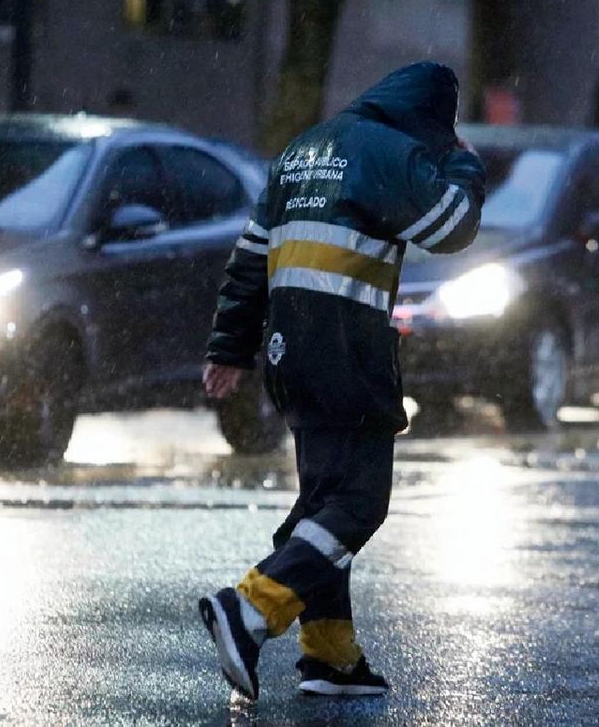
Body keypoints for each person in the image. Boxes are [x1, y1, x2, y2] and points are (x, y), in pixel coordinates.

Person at [198, 62, 486, 700]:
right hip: (347, 348)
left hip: (289, 350)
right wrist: (465, 165)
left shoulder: (304, 149)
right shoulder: (387, 152)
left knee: (323, 504)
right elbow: (451, 227)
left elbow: (250, 259)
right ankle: (251, 607)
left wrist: (231, 348)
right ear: (432, 115)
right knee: (358, 504)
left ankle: (331, 657)